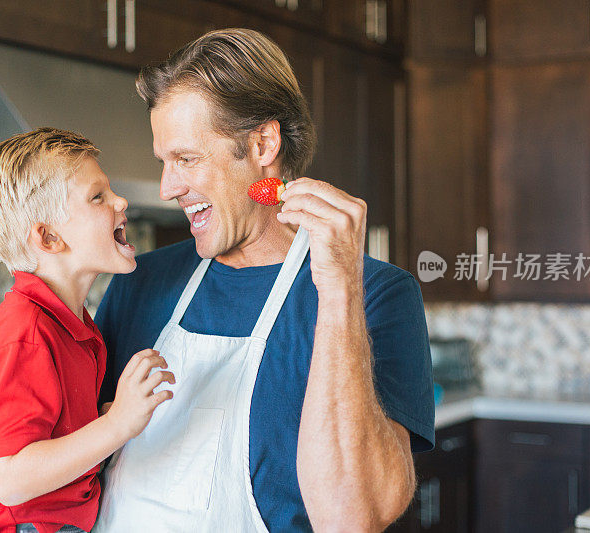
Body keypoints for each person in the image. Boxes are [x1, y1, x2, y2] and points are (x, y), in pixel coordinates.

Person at [92, 28, 435, 532]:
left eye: (186, 159)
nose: (168, 187)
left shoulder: (377, 294)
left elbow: (351, 519)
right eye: (162, 162)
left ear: (263, 143)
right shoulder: (139, 283)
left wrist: (339, 291)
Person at [0, 128, 174, 533]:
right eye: (97, 196)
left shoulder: (75, 327)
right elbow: (11, 480)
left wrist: (108, 417)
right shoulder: (25, 333)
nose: (120, 201)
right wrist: (116, 424)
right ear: (49, 238)